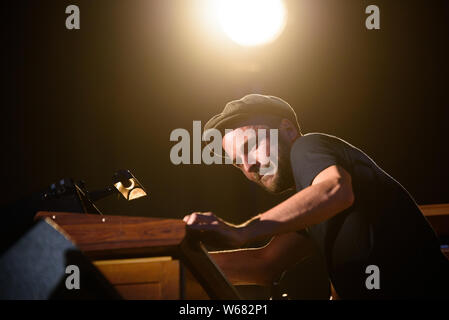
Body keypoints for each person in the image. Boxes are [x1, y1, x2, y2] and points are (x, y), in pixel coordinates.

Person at [183, 94, 449, 299]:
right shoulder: (313, 207)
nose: (248, 166)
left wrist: (242, 231)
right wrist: (181, 264)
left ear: (288, 131)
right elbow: (265, 264)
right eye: (237, 162)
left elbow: (334, 189)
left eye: (251, 146)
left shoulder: (308, 146)